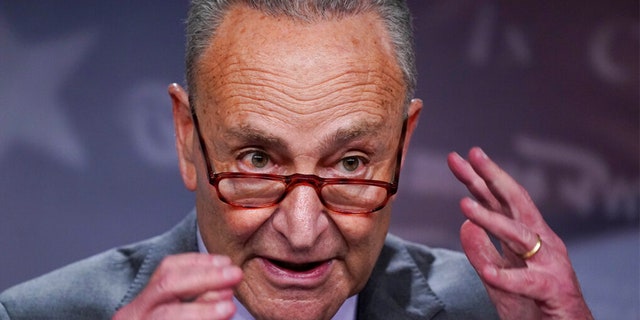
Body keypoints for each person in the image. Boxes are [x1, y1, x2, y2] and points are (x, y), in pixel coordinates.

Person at [0, 1, 593, 319]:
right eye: (257, 160)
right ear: (187, 137)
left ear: (403, 147)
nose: (303, 231)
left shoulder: (496, 313)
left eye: (352, 163)